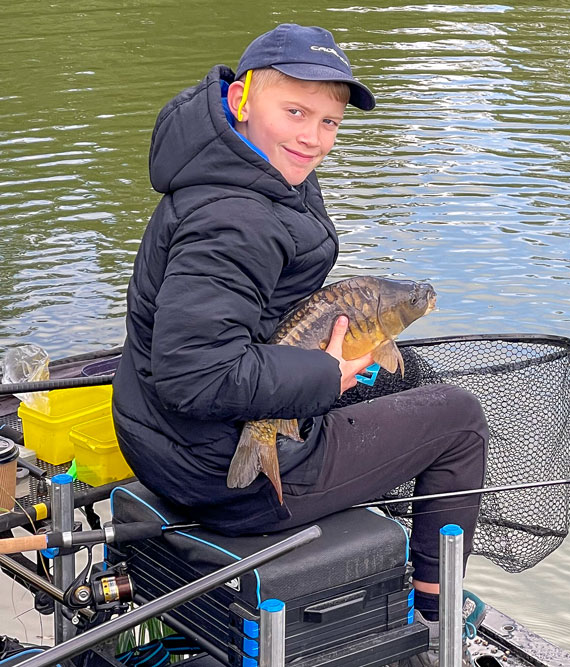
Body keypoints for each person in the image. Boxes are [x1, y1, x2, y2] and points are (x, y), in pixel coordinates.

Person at [111, 23, 488, 660]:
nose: (313, 138)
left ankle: (377, 524)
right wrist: (323, 378)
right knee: (459, 420)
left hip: (165, 441)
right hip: (218, 469)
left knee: (403, 374)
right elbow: (193, 375)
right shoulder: (233, 220)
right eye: (295, 112)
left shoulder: (235, 164)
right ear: (241, 101)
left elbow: (242, 315)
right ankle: (433, 614)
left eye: (329, 123)